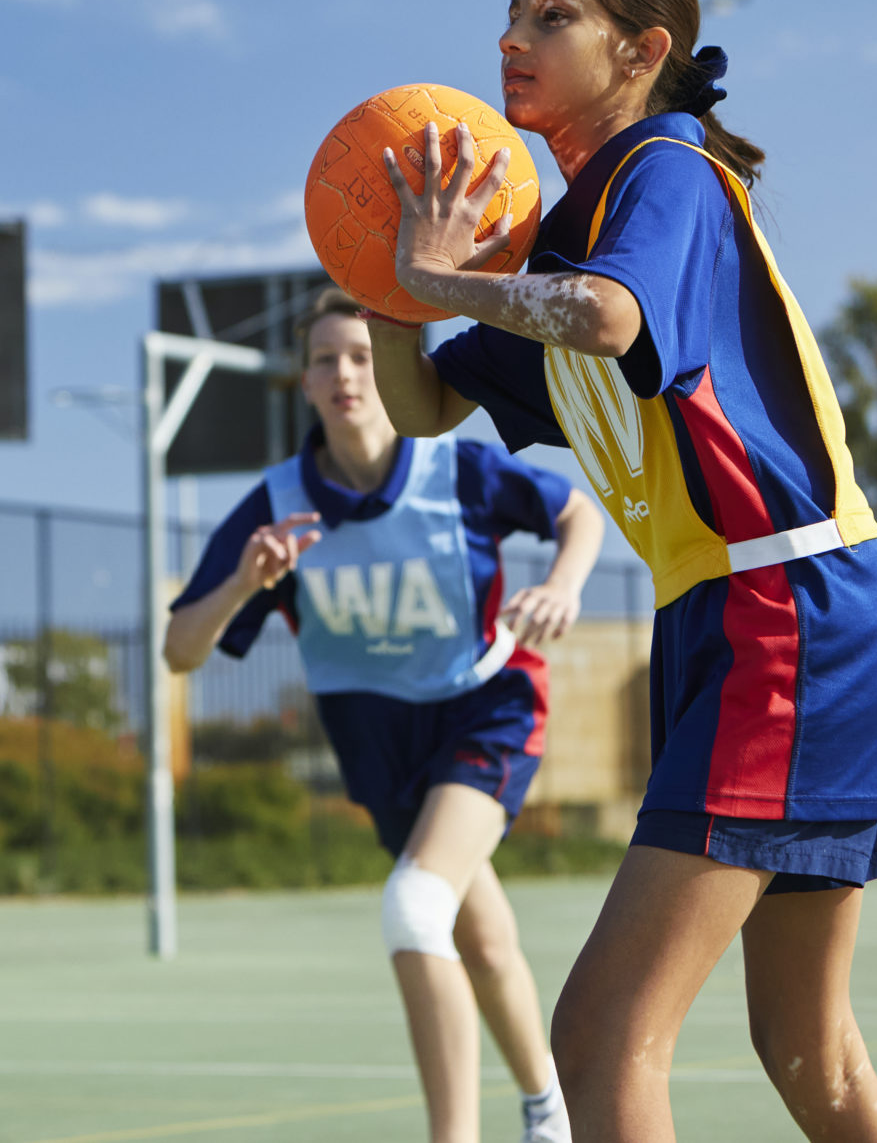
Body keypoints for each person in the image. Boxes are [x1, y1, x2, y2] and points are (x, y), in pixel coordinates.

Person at [369, 0, 877, 1143]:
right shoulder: (561, 236)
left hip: (787, 607)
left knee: (602, 1034)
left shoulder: (660, 171)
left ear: (642, 50)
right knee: (807, 1052)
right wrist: (392, 285)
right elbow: (419, 407)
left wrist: (445, 279)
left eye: (551, 16)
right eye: (508, 15)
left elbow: (607, 318)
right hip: (750, 611)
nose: (511, 39)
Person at [165, 287, 602, 1143]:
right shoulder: (279, 503)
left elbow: (575, 511)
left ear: (394, 368)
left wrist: (563, 583)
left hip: (483, 711)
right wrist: (244, 584)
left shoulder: (455, 468)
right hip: (381, 747)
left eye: (363, 356)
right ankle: (552, 1113)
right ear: (304, 380)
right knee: (482, 939)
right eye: (326, 358)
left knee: (413, 906)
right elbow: (182, 648)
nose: (345, 373)